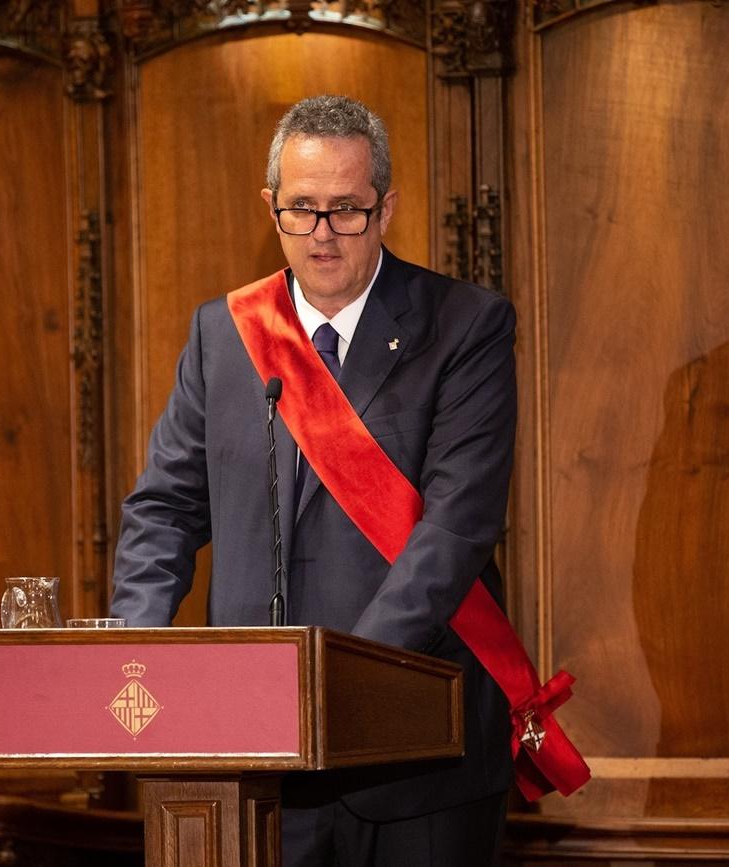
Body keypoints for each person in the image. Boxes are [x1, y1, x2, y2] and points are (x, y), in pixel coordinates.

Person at [111, 95, 521, 866]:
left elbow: (456, 529)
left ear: (387, 207)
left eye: (347, 210)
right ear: (271, 208)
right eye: (302, 209)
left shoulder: (465, 325)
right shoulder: (222, 336)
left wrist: (340, 687)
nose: (323, 234)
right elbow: (164, 508)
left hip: (416, 755)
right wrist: (136, 648)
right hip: (250, 752)